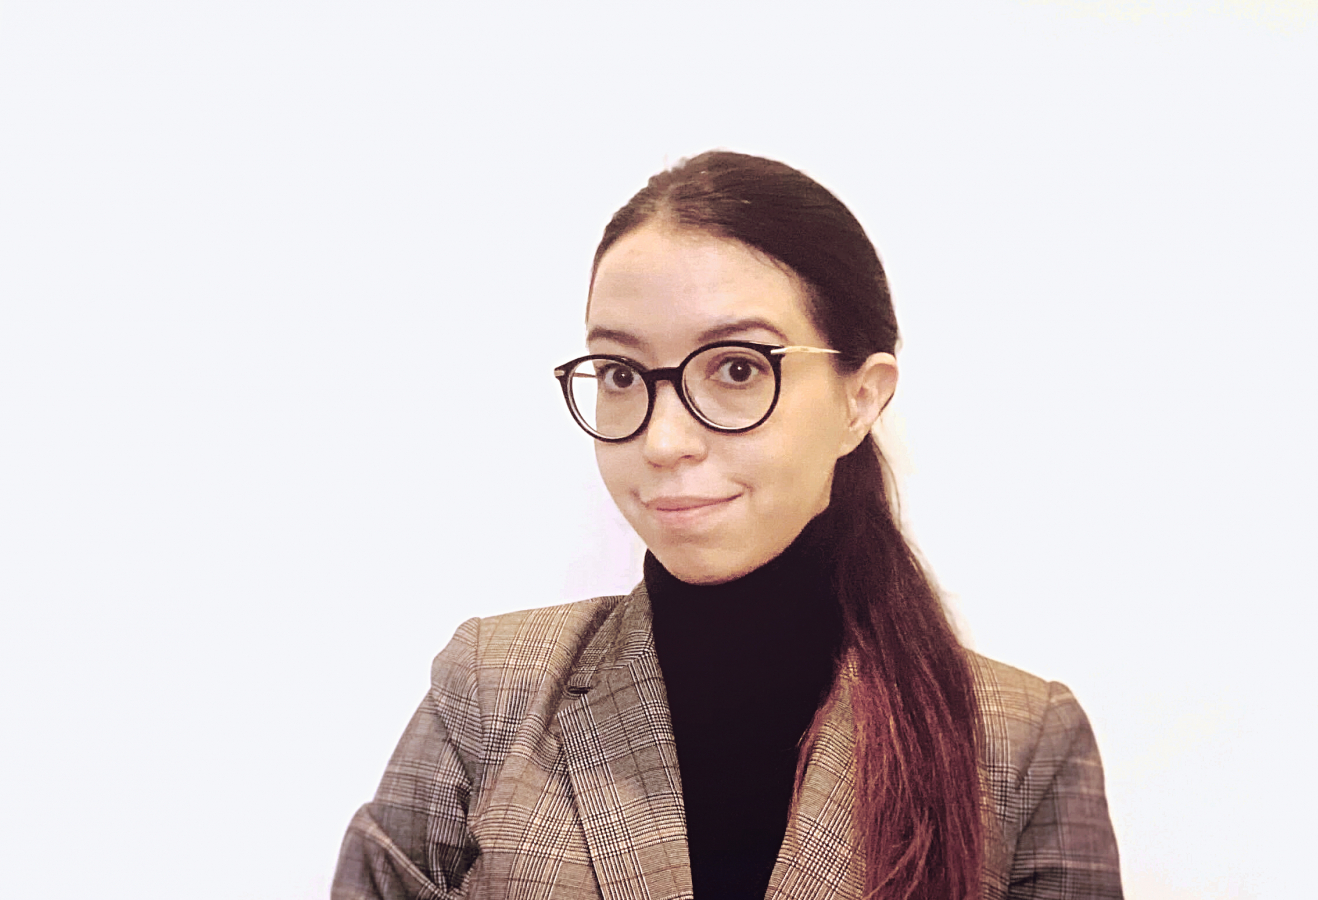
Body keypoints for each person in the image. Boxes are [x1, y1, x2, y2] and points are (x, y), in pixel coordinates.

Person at [333, 151, 1122, 900]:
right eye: (621, 373)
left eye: (738, 368)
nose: (662, 441)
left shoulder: (1018, 744)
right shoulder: (491, 689)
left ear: (860, 398)